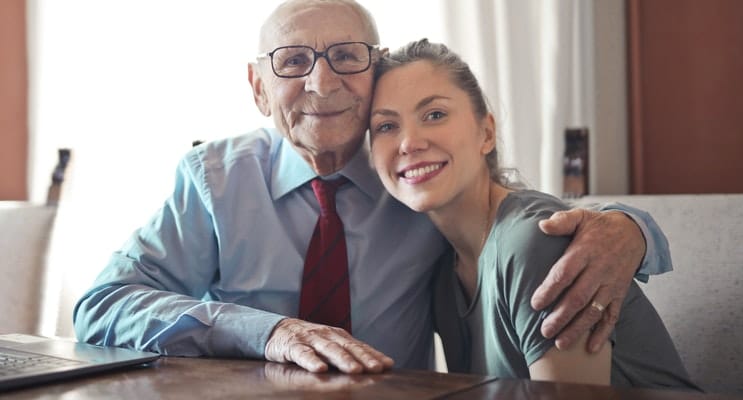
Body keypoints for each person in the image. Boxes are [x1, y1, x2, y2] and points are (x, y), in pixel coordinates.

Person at [73, 0, 672, 374]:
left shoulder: (414, 178)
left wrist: (631, 229)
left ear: (373, 75)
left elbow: (517, 220)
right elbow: (101, 305)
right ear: (258, 88)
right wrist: (268, 332)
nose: (321, 80)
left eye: (345, 56)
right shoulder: (213, 180)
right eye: (291, 61)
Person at [368, 39, 699, 389]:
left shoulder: (535, 242)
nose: (409, 142)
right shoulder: (443, 273)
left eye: (434, 115)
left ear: (487, 132)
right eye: (386, 126)